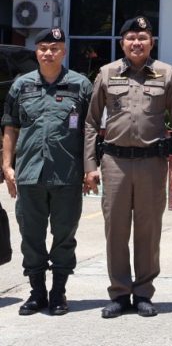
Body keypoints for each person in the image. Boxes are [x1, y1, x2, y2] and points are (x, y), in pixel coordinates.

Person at [83, 16, 172, 318]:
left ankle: (143, 292)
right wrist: (90, 165)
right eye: (131, 37)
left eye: (142, 37)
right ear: (122, 43)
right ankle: (119, 293)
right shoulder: (107, 73)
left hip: (152, 164)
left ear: (151, 42)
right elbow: (91, 123)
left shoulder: (166, 73)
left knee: (148, 230)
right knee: (115, 230)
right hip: (114, 163)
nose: (137, 43)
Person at [2, 28, 92, 316]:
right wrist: (7, 166)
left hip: (67, 174)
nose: (48, 53)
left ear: (63, 51)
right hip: (29, 173)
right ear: (37, 51)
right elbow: (10, 127)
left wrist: (90, 168)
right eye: (43, 48)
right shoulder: (21, 85)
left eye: (54, 48)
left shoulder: (80, 85)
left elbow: (91, 131)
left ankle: (58, 293)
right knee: (31, 236)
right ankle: (37, 293)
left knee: (64, 236)